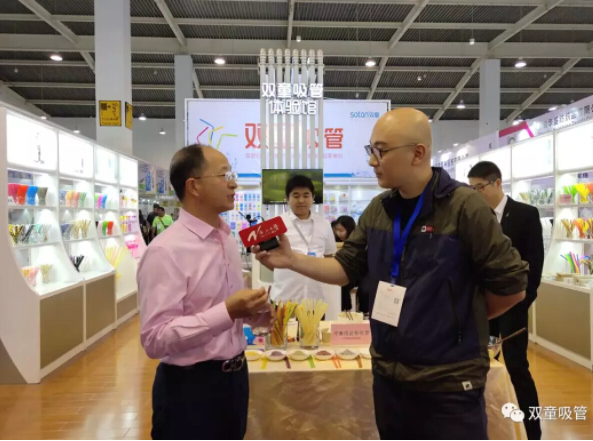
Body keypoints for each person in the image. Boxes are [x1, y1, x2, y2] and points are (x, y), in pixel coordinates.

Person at [254, 108, 529, 439]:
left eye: (381, 151)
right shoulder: (379, 209)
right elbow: (345, 267)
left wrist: (456, 322)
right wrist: (291, 260)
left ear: (418, 153)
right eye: (371, 150)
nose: (373, 161)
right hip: (389, 377)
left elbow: (512, 286)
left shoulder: (464, 207)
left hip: (448, 382)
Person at [137, 144, 274, 440]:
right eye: (224, 175)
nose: (233, 183)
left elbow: (227, 309)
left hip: (235, 379)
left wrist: (255, 314)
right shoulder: (165, 251)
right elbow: (155, 339)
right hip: (189, 390)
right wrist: (228, 312)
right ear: (194, 186)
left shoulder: (226, 239)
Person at [468, 161, 544, 440]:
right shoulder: (473, 216)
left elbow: (534, 265)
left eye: (479, 187)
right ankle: (487, 429)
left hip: (513, 308)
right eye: (471, 189)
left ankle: (533, 432)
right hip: (482, 310)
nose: (476, 194)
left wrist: (520, 303)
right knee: (482, 367)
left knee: (517, 368)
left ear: (497, 183)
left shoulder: (525, 214)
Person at [270, 175, 337, 303]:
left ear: (313, 198)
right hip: (284, 299)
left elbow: (328, 257)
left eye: (306, 195)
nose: (301, 200)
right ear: (287, 199)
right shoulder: (276, 224)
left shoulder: (324, 224)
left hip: (316, 301)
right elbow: (270, 258)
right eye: (296, 196)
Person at [333, 216, 358, 311]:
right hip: (341, 271)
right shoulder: (335, 241)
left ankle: (345, 309)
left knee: (343, 283)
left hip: (355, 273)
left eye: (341, 230)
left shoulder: (356, 241)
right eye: (337, 230)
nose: (338, 233)